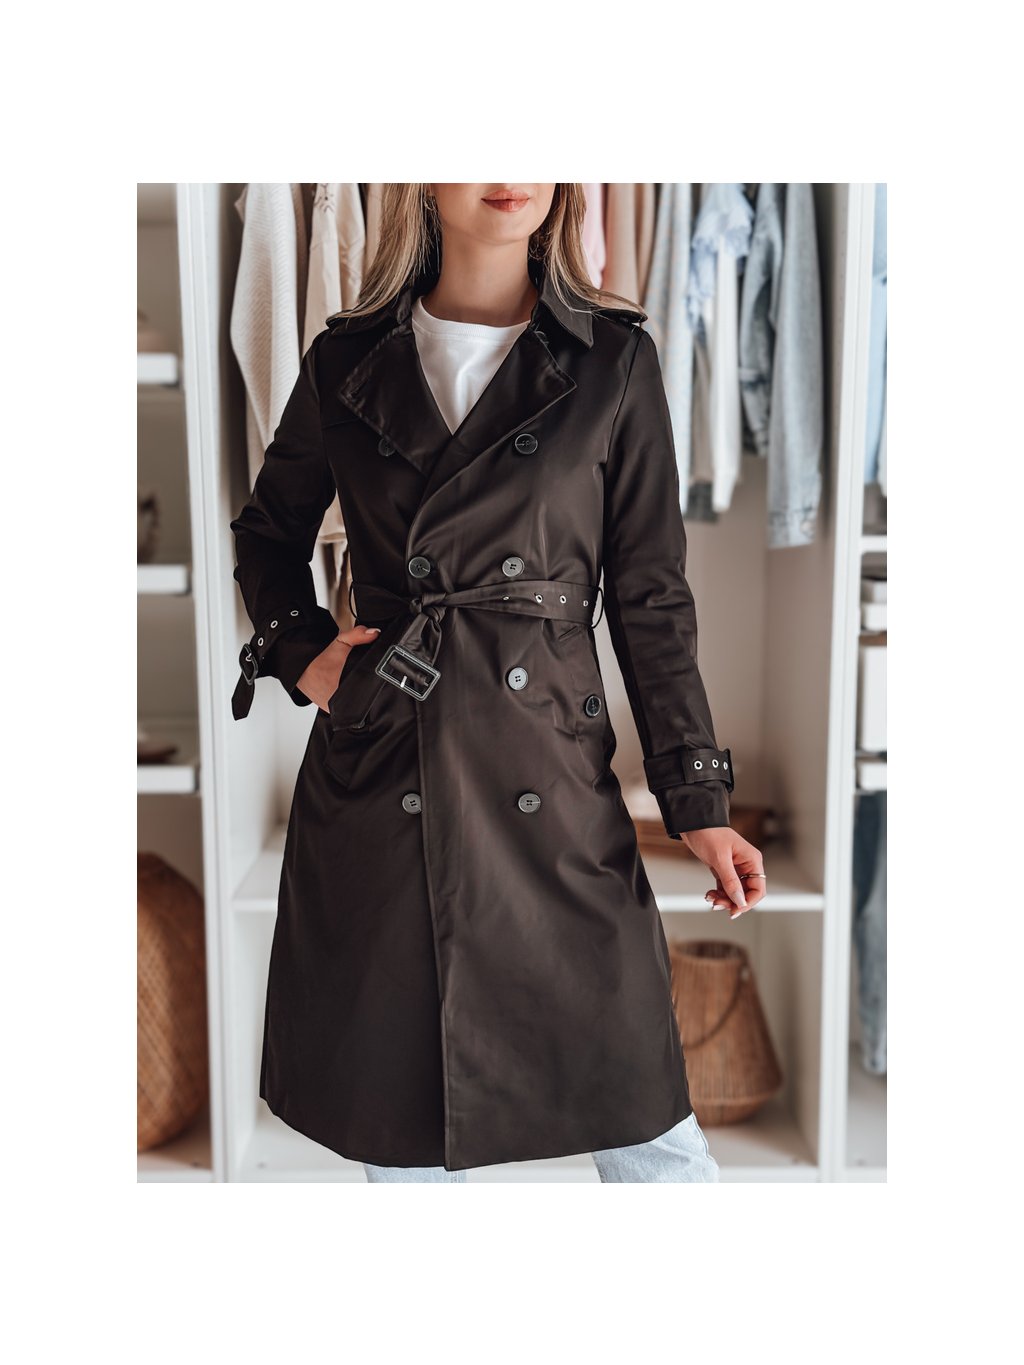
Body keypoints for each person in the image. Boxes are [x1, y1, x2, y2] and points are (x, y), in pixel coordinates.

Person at [230, 184, 767, 1183]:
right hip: (388, 766)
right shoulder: (348, 356)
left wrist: (698, 802)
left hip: (551, 781)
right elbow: (267, 535)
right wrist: (304, 654)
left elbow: (650, 598)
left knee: (653, 1136)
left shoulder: (611, 359)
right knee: (402, 1134)